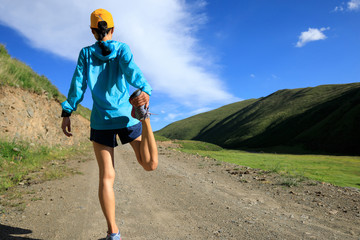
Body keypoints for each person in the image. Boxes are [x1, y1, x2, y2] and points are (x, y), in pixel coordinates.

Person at [60, 8, 158, 240]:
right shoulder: (122, 49)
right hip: (127, 117)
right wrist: (146, 90)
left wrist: (67, 110)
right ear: (112, 29)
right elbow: (133, 73)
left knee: (106, 177)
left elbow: (78, 86)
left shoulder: (85, 53)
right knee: (149, 164)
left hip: (101, 121)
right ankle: (146, 119)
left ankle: (113, 234)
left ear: (93, 31)